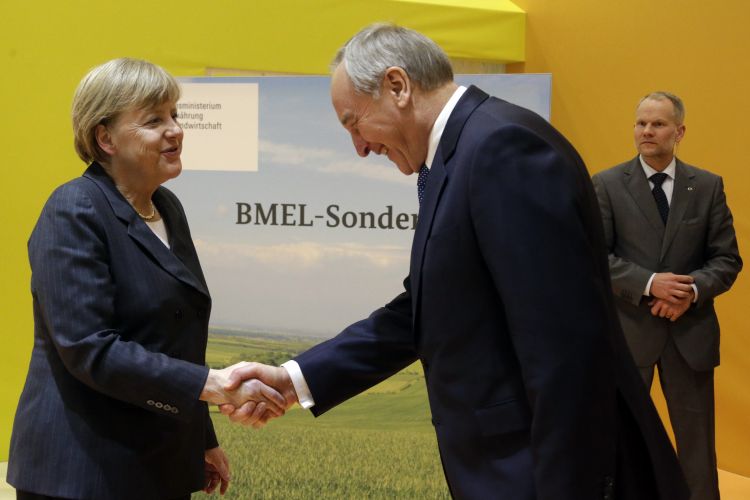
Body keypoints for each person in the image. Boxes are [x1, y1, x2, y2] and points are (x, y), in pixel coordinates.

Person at [224, 24, 689, 499]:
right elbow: (423, 310)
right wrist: (294, 380)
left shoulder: (502, 149)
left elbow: (564, 350)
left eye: (353, 123)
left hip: (539, 474)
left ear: (397, 86)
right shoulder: (461, 154)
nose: (359, 147)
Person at [7, 58, 286, 500]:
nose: (176, 130)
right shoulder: (74, 208)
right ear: (105, 138)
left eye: (174, 115)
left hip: (158, 465)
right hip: (83, 474)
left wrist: (202, 439)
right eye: (154, 120)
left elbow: (178, 339)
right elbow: (89, 347)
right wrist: (212, 386)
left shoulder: (168, 208)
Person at [591, 92, 742, 500]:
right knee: (620, 441)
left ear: (680, 131)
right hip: (629, 334)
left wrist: (689, 291)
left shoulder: (707, 186)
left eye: (657, 124)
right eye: (641, 123)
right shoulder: (606, 184)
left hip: (689, 335)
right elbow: (595, 256)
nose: (646, 131)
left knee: (697, 450)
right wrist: (650, 284)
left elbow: (727, 259)